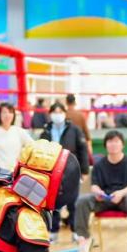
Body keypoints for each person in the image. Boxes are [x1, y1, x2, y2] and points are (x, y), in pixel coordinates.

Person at [74, 130, 127, 252]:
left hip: (124, 199)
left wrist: (121, 193)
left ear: (122, 144)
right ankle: (84, 239)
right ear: (106, 145)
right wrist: (97, 192)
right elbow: (94, 185)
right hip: (104, 200)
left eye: (116, 141)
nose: (113, 144)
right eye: (110, 141)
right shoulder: (99, 164)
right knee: (82, 200)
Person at [40, 102, 89, 241]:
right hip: (51, 171)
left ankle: (75, 230)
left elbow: (83, 150)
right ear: (50, 114)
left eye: (60, 112)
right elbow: (40, 151)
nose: (57, 115)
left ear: (65, 113)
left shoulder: (75, 130)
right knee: (53, 202)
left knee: (73, 202)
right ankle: (53, 231)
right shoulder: (46, 131)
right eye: (54, 112)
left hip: (71, 170)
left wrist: (84, 170)